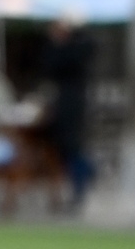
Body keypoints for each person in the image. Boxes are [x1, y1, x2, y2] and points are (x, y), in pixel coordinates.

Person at [38, 16, 95, 209]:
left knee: (73, 148)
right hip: (60, 108)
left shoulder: (77, 49)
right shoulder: (57, 51)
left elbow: (81, 51)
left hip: (71, 108)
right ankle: (84, 177)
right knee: (62, 150)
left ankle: (86, 179)